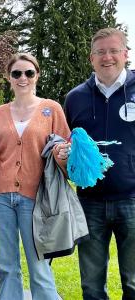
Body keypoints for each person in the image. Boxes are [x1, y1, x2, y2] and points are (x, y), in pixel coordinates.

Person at [0, 53, 71, 300]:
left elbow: (65, 157)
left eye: (29, 73)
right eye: (16, 73)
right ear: (9, 78)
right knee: (7, 268)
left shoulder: (51, 109)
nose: (23, 78)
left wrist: (63, 154)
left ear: (37, 75)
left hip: (35, 198)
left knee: (40, 267)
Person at [64, 27, 135, 299]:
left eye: (114, 50)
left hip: (132, 199)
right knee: (91, 286)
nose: (108, 57)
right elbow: (65, 143)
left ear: (125, 54)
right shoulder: (75, 98)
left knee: (133, 282)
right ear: (91, 58)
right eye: (100, 52)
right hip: (90, 202)